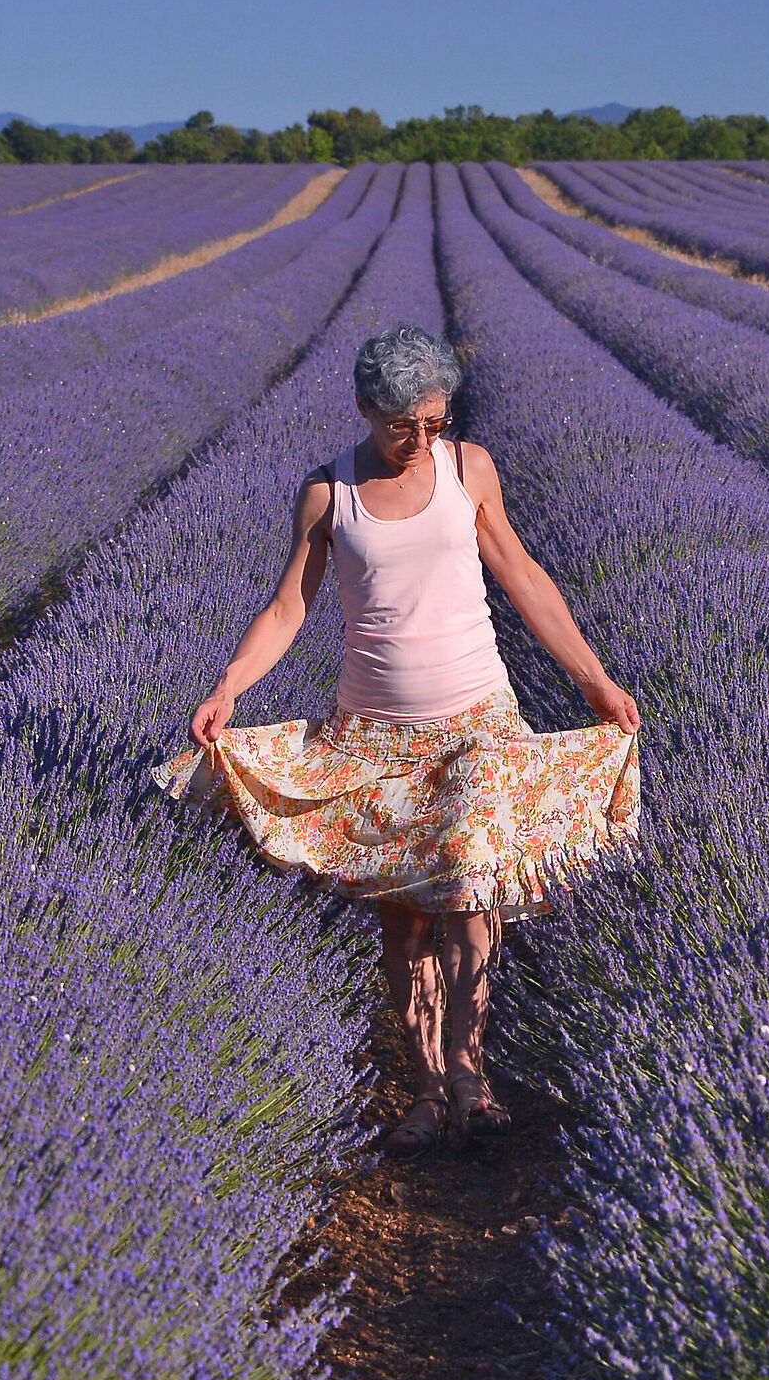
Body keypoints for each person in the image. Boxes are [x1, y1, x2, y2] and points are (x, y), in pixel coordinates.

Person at [154, 324, 641, 1158]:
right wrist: (229, 686)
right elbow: (289, 608)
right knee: (406, 924)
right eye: (402, 425)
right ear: (364, 408)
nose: (419, 440)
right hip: (373, 738)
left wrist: (592, 678)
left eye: (434, 422)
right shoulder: (328, 493)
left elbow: (522, 576)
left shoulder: (468, 468)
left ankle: (470, 1075)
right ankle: (425, 1087)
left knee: (471, 896)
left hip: (478, 723)